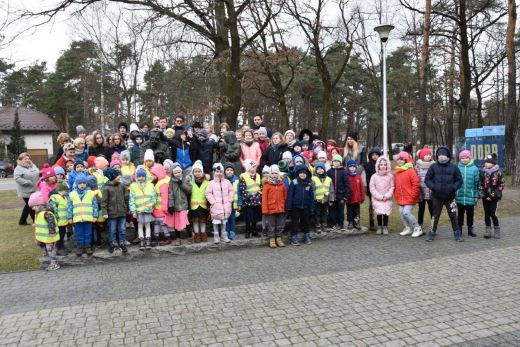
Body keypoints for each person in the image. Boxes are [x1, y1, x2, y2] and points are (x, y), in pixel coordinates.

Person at [425, 147, 463, 242]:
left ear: (447, 156)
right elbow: (427, 179)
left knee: (453, 216)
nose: (441, 156)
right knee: (435, 215)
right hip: (437, 196)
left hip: (450, 197)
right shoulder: (433, 166)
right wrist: (434, 187)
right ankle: (432, 233)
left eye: (443, 155)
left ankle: (457, 234)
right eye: (439, 155)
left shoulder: (454, 167)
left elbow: (459, 181)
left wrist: (453, 188)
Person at [28, 191, 61, 270]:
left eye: (34, 206)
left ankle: (54, 264)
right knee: (47, 248)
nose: (33, 208)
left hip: (49, 237)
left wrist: (52, 233)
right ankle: (53, 262)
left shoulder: (46, 213)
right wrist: (36, 224)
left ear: (39, 205)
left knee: (50, 250)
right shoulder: (39, 212)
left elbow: (51, 223)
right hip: (45, 237)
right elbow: (42, 222)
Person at [68, 175, 98, 256]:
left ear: (86, 184)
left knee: (88, 233)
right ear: (77, 184)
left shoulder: (91, 193)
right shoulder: (72, 194)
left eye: (84, 183)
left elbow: (95, 205)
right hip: (77, 218)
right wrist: (70, 217)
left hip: (88, 218)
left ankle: (88, 246)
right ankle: (80, 247)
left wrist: (95, 216)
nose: (82, 185)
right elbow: (70, 207)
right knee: (79, 233)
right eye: (80, 183)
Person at [393, 151, 422, 238]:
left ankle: (417, 228)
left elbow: (416, 183)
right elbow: (396, 185)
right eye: (398, 159)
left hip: (410, 197)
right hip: (401, 197)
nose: (399, 161)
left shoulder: (410, 170)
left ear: (406, 160)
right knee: (401, 212)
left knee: (406, 212)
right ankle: (408, 227)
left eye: (402, 159)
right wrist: (396, 194)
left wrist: (413, 195)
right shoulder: (398, 171)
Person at [101, 167, 129, 254]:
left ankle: (122, 243)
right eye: (117, 175)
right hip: (111, 213)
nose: (119, 177)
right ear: (112, 177)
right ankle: (112, 244)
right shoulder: (106, 188)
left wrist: (127, 208)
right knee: (112, 230)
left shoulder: (122, 186)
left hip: (122, 212)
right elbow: (104, 202)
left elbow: (126, 198)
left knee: (122, 229)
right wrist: (104, 212)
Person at [129, 166, 157, 250]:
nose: (141, 178)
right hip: (139, 210)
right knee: (140, 225)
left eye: (143, 176)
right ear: (136, 177)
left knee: (148, 225)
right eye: (139, 176)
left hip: (148, 209)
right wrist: (133, 210)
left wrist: (151, 204)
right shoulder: (133, 186)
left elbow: (154, 197)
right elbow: (132, 199)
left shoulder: (150, 185)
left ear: (146, 176)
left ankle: (148, 239)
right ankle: (141, 240)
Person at [205, 163, 234, 243]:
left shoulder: (227, 182)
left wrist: (229, 200)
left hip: (225, 206)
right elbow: (208, 193)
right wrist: (213, 202)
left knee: (224, 222)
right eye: (217, 171)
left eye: (221, 171)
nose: (219, 173)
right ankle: (216, 236)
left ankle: (224, 236)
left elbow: (231, 191)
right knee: (216, 222)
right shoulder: (211, 183)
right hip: (216, 207)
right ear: (214, 172)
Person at [286, 165, 315, 246]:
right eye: (301, 173)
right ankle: (294, 237)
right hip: (295, 206)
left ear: (307, 174)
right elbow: (290, 195)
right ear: (298, 174)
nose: (302, 174)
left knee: (306, 222)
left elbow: (312, 196)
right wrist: (289, 206)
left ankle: (306, 235)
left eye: (304, 173)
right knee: (295, 222)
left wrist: (312, 207)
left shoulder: (309, 183)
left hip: (306, 206)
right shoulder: (294, 182)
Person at [478, 153, 505, 239]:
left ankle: (497, 229)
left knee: (493, 214)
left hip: (495, 198)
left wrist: (493, 195)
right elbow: (480, 185)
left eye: (489, 162)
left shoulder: (499, 172)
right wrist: (484, 195)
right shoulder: (482, 173)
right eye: (485, 162)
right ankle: (488, 230)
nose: (486, 164)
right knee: (487, 214)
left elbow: (501, 185)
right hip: (485, 198)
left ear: (493, 163)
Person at [165, 162, 192, 245]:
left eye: (179, 172)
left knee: (186, 222)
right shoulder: (171, 182)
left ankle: (190, 236)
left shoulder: (186, 179)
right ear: (173, 173)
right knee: (176, 224)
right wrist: (171, 205)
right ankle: (178, 238)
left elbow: (189, 190)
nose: (177, 174)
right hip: (176, 206)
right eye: (175, 173)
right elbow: (170, 194)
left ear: (181, 172)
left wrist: (182, 184)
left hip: (184, 205)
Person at [456, 150, 480, 237]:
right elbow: (454, 181)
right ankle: (459, 229)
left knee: (470, 214)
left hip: (471, 196)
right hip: (460, 196)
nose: (464, 159)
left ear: (470, 158)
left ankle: (470, 229)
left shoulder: (475, 169)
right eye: (462, 158)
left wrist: (477, 195)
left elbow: (477, 184)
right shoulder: (457, 168)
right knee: (460, 214)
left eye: (466, 158)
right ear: (460, 159)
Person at [262, 164, 287, 248]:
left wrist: (284, 204)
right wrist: (265, 210)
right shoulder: (267, 184)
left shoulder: (281, 184)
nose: (274, 175)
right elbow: (264, 198)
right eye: (272, 173)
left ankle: (279, 238)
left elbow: (285, 196)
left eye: (276, 173)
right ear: (270, 174)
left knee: (280, 224)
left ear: (278, 174)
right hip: (270, 208)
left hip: (280, 208)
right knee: (271, 225)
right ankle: (272, 239)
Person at [369, 156, 394, 235]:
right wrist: (379, 196)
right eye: (381, 165)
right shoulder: (374, 176)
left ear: (387, 165)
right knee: (379, 212)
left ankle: (385, 226)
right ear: (378, 166)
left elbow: (392, 187)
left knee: (386, 212)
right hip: (377, 198)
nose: (383, 166)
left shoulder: (390, 176)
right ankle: (379, 226)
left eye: (384, 165)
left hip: (387, 198)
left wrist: (387, 196)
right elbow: (372, 188)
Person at [238, 159, 262, 238]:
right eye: (252, 167)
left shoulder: (258, 175)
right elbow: (242, 188)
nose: (254, 168)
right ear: (248, 168)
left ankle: (254, 230)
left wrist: (260, 195)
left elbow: (260, 186)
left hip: (257, 200)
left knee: (255, 216)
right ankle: (248, 230)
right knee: (248, 217)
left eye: (255, 166)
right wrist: (249, 196)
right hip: (248, 200)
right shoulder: (243, 176)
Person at [14, 152, 39, 226]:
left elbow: (37, 172)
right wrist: (26, 182)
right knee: (31, 206)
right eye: (25, 159)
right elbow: (17, 178)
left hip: (34, 189)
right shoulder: (18, 168)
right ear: (20, 160)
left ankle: (22, 221)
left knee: (27, 205)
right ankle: (36, 221)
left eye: (28, 158)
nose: (27, 160)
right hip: (25, 191)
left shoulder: (32, 165)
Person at [150, 164, 172, 246]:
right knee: (156, 223)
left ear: (158, 174)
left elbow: (165, 197)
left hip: (161, 209)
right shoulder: (158, 182)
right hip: (156, 208)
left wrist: (165, 208)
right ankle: (156, 237)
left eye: (153, 175)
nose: (151, 176)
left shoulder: (163, 183)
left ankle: (167, 237)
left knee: (163, 223)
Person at [48, 181, 71, 255]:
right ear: (61, 190)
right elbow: (52, 209)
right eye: (66, 190)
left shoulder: (64, 197)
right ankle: (59, 248)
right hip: (58, 222)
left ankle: (62, 247)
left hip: (63, 221)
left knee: (63, 234)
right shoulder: (55, 198)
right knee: (59, 236)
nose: (67, 192)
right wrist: (56, 218)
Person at [327, 155, 349, 230]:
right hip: (332, 196)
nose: (336, 163)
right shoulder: (329, 171)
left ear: (340, 163)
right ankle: (333, 223)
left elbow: (346, 184)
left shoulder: (343, 171)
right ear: (332, 162)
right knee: (332, 210)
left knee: (340, 211)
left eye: (337, 161)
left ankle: (341, 224)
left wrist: (346, 195)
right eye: (334, 161)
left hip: (341, 195)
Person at [189, 160, 209, 243]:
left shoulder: (207, 182)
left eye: (199, 171)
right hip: (194, 206)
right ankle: (197, 234)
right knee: (196, 221)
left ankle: (203, 233)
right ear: (193, 173)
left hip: (203, 206)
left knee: (203, 221)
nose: (197, 173)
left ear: (202, 172)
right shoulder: (190, 182)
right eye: (196, 171)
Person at [363, 147, 382, 231]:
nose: (374, 156)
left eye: (376, 155)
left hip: (381, 188)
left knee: (381, 206)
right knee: (372, 206)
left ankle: (381, 223)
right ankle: (372, 222)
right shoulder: (367, 165)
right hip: (371, 189)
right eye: (373, 155)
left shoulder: (382, 165)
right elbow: (359, 170)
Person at [415, 148, 434, 230]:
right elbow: (415, 177)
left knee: (432, 209)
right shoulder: (417, 166)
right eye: (426, 155)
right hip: (421, 191)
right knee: (421, 209)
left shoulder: (434, 165)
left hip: (431, 191)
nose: (428, 156)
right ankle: (420, 224)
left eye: (429, 155)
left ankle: (434, 224)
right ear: (422, 156)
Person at [311, 162, 331, 233]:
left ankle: (324, 225)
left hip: (325, 200)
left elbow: (331, 190)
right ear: (315, 170)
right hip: (317, 200)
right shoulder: (313, 178)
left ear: (324, 169)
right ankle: (318, 226)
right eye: (318, 169)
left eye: (321, 168)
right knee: (317, 214)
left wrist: (330, 199)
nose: (320, 170)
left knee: (324, 213)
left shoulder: (328, 179)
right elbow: (312, 190)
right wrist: (314, 198)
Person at [346, 160, 365, 231]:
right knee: (349, 211)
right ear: (348, 168)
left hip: (357, 198)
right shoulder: (346, 176)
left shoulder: (358, 177)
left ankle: (356, 222)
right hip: (349, 198)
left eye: (353, 167)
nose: (352, 168)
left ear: (356, 167)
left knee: (357, 211)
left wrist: (362, 196)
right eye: (350, 167)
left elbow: (361, 188)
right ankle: (350, 222)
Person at [224, 163, 239, 240]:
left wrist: (239, 203)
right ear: (225, 171)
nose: (229, 171)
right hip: (225, 205)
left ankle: (232, 232)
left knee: (232, 219)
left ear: (233, 171)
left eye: (231, 170)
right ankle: (226, 232)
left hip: (233, 204)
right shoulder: (222, 181)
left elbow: (239, 192)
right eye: (227, 170)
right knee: (226, 220)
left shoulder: (236, 180)